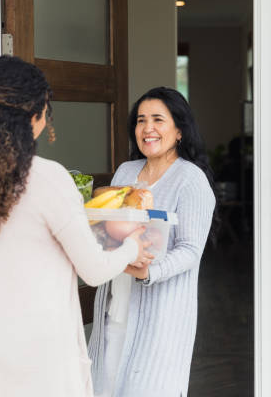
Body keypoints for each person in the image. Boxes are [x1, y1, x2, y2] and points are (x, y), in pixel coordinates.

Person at [0, 55, 153, 397]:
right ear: (33, 115)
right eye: (46, 110)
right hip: (40, 363)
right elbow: (93, 268)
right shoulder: (46, 177)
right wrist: (132, 246)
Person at [88, 87, 217, 396]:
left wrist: (149, 273)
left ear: (180, 130)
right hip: (114, 306)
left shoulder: (191, 180)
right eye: (141, 120)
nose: (148, 129)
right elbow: (109, 229)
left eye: (158, 119)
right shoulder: (126, 172)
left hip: (161, 317)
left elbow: (190, 250)